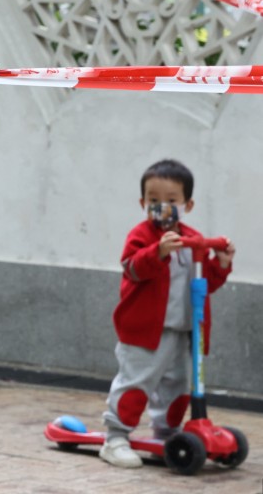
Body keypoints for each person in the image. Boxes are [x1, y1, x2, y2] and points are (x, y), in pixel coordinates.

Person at [99, 159, 235, 468]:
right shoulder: (141, 236)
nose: (162, 206)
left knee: (178, 387)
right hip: (146, 331)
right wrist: (158, 251)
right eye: (154, 200)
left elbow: (205, 283)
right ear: (143, 203)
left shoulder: (193, 239)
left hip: (184, 331)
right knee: (136, 383)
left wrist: (222, 263)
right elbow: (132, 268)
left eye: (172, 200)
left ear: (188, 205)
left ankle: (166, 434)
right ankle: (115, 437)